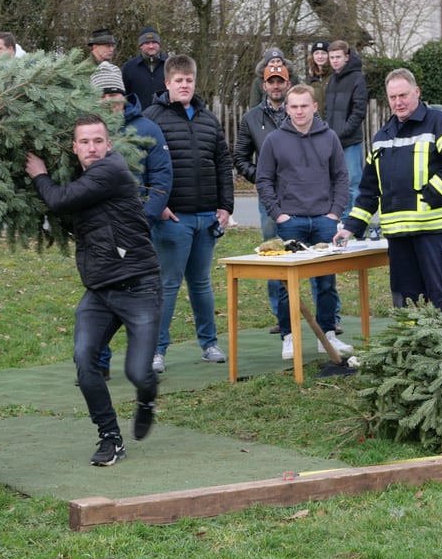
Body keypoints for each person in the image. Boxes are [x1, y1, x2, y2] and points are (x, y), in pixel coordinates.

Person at [25, 114, 160, 466]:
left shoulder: (110, 171)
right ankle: (110, 438)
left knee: (138, 372)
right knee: (85, 360)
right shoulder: (88, 176)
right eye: (84, 142)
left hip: (139, 286)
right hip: (100, 291)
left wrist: (39, 173)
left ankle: (147, 397)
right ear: (74, 148)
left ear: (109, 144)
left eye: (98, 140)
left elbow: (58, 199)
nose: (92, 148)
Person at [333, 69, 442, 314]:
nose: (398, 102)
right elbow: (369, 189)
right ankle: (411, 351)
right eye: (393, 97)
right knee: (406, 304)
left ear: (417, 92)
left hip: (435, 232)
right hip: (398, 238)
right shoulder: (382, 137)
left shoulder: (441, 123)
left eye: (403, 95)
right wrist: (350, 227)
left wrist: (431, 197)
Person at [80, 65, 173, 383]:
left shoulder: (148, 128)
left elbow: (161, 177)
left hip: (138, 230)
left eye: (115, 93)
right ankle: (98, 363)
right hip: (99, 232)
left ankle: (145, 362)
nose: (111, 100)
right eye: (104, 94)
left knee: (141, 296)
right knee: (101, 292)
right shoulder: (89, 134)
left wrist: (144, 218)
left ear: (124, 94)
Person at [143, 54, 234, 371]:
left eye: (189, 80)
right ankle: (156, 350)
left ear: (195, 82)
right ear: (167, 83)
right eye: (178, 80)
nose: (185, 85)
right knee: (168, 285)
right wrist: (157, 206)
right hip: (172, 219)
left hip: (206, 217)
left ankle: (209, 344)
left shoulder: (209, 119)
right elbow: (141, 166)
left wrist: (226, 206)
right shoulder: (151, 118)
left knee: (201, 284)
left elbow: (223, 164)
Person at [255, 84, 353, 359]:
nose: (299, 111)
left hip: (324, 219)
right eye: (293, 106)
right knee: (286, 284)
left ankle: (327, 336)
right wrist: (278, 214)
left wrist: (334, 212)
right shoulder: (274, 140)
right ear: (287, 109)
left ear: (314, 107)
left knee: (326, 283)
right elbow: (263, 180)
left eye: (304, 106)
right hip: (290, 222)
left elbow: (341, 177)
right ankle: (289, 336)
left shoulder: (330, 137)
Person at [233, 62, 290, 330]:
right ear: (264, 86)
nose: (276, 86)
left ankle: (329, 317)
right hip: (269, 196)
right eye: (272, 82)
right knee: (273, 251)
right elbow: (240, 158)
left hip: (301, 194)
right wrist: (262, 178)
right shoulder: (251, 118)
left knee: (311, 250)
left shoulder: (299, 111)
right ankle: (282, 317)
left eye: (280, 81)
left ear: (287, 83)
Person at [323, 40, 368, 216]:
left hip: (350, 141)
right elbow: (328, 110)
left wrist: (342, 132)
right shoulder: (332, 80)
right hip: (333, 140)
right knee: (337, 183)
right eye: (331, 57)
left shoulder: (357, 78)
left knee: (353, 183)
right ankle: (341, 220)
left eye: (338, 57)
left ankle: (356, 222)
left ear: (346, 57)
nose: (334, 61)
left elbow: (358, 111)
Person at [121, 25, 168, 110]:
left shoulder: (171, 65)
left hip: (167, 118)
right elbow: (123, 96)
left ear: (159, 44)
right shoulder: (128, 67)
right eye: (147, 43)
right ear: (140, 46)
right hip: (138, 118)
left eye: (154, 42)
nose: (151, 46)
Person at [305, 40, 332, 111]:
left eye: (323, 53)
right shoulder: (310, 78)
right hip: (316, 120)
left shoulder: (335, 75)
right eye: (316, 53)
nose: (320, 56)